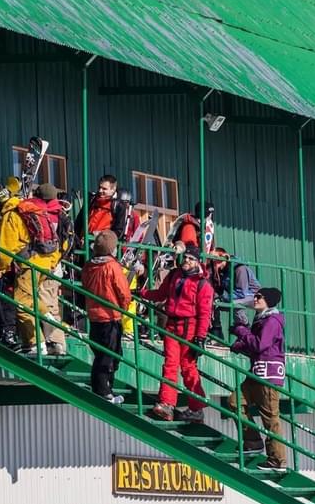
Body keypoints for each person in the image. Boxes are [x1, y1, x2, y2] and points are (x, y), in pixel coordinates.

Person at [141, 246, 214, 423]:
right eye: (185, 258)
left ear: (198, 262)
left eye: (190, 259)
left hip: (190, 327)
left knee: (188, 367)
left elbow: (204, 313)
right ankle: (167, 404)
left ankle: (196, 408)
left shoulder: (203, 284)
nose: (186, 261)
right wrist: (142, 293)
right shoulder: (175, 275)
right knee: (170, 364)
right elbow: (160, 294)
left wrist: (201, 337)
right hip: (172, 324)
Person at [0, 183, 68, 355]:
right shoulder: (47, 213)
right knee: (31, 299)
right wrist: (51, 263)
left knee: (21, 304)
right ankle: (47, 317)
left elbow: (6, 245)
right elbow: (61, 243)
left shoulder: (14, 213)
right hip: (45, 264)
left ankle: (36, 343)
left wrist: (3, 267)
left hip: (27, 264)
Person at [228, 287, 287, 472]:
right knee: (234, 401)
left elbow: (261, 345)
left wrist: (242, 332)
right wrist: (240, 344)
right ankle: (253, 441)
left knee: (270, 418)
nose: (255, 299)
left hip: (269, 375)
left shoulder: (272, 321)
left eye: (259, 297)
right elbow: (257, 347)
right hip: (257, 372)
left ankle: (277, 460)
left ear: (268, 300)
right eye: (255, 296)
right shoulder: (261, 320)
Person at [82, 231, 131, 404]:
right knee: (110, 354)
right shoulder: (112, 266)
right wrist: (123, 308)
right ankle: (103, 389)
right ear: (112, 248)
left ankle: (106, 387)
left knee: (101, 353)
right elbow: (123, 291)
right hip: (110, 316)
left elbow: (85, 286)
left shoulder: (89, 266)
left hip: (94, 315)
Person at [209, 248, 261, 342]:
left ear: (224, 257)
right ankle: (217, 335)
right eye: (212, 260)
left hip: (254, 296)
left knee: (235, 303)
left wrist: (223, 294)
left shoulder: (240, 269)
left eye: (216, 259)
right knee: (213, 303)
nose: (214, 263)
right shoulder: (222, 271)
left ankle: (245, 333)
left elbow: (241, 293)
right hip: (235, 296)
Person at [74, 174, 137, 242]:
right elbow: (79, 221)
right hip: (84, 242)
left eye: (104, 189)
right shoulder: (92, 200)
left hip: (103, 244)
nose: (100, 191)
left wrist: (98, 235)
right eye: (99, 187)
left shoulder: (118, 205)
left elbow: (118, 231)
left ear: (113, 189)